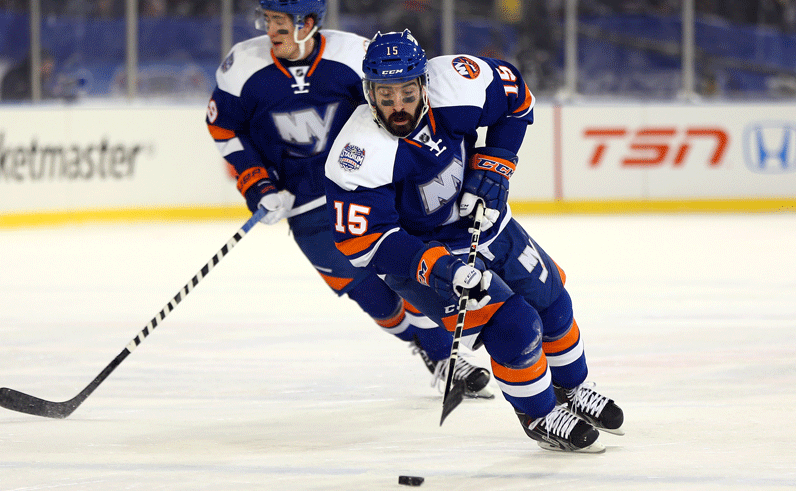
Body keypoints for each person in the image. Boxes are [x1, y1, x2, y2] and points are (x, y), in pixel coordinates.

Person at [324, 30, 624, 452]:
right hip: (427, 253)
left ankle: (572, 388)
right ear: (368, 92)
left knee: (552, 299)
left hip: (485, 222)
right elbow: (363, 242)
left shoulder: (459, 84)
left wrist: (496, 165)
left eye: (407, 93)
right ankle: (539, 415)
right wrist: (439, 265)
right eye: (385, 95)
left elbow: (517, 102)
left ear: (424, 83)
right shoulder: (357, 153)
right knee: (515, 327)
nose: (397, 107)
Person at [204, 0, 494, 398]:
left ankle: (445, 357)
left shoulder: (353, 56)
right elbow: (223, 126)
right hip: (306, 206)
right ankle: (426, 348)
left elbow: (402, 108)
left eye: (279, 23)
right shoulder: (243, 67)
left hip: (369, 190)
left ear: (307, 23)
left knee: (405, 272)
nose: (270, 31)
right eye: (268, 21)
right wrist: (256, 183)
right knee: (372, 296)